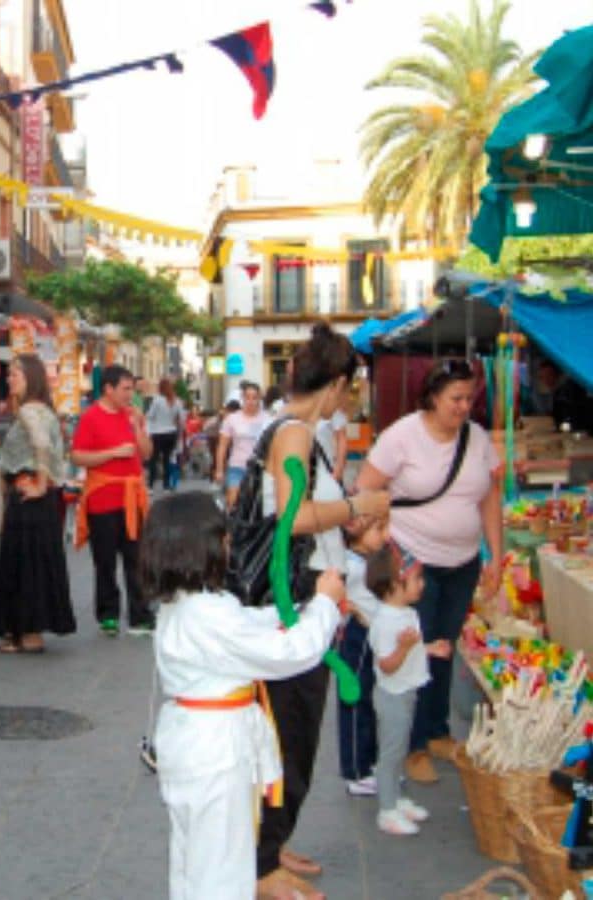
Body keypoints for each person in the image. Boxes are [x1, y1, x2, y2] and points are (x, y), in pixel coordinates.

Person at [141, 492, 347, 900]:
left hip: (196, 742)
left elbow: (247, 623)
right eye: (222, 536)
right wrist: (325, 604)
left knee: (195, 858)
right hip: (215, 751)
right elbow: (289, 654)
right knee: (222, 867)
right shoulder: (207, 613)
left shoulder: (187, 603)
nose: (229, 543)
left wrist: (301, 610)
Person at [254, 323, 390, 899]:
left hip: (308, 597)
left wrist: (347, 523)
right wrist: (358, 504)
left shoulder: (300, 434)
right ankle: (261, 864)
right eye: (349, 389)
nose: (349, 401)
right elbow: (294, 518)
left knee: (296, 733)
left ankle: (272, 843)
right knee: (290, 733)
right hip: (290, 603)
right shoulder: (293, 433)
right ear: (335, 384)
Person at [354, 358, 503, 784]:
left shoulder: (477, 438)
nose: (464, 407)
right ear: (433, 397)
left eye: (469, 398)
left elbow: (489, 498)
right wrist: (381, 537)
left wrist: (495, 554)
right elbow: (365, 488)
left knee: (444, 646)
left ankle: (436, 730)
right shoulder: (402, 436)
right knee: (416, 647)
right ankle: (413, 744)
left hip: (463, 562)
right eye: (456, 398)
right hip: (414, 560)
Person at [0, 353, 74, 654]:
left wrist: (39, 482)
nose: (9, 379)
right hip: (36, 497)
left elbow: (42, 445)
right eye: (9, 374)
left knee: (24, 564)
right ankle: (26, 631)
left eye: (16, 374)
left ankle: (27, 632)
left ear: (31, 378)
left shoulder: (29, 411)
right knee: (34, 563)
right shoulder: (44, 410)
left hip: (29, 495)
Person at [366, 543, 450, 835]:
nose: (422, 584)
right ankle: (387, 809)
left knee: (400, 748)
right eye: (416, 579)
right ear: (394, 585)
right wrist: (403, 648)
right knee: (391, 753)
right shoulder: (385, 622)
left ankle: (397, 798)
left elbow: (410, 650)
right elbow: (386, 665)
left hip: (406, 691)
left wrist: (429, 649)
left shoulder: (406, 613)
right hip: (392, 696)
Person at [71, 365, 154, 637]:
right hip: (103, 498)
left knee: (136, 558)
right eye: (125, 389)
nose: (130, 395)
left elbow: (147, 453)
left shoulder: (133, 415)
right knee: (105, 560)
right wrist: (113, 453)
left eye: (132, 389)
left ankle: (140, 614)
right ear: (108, 389)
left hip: (132, 498)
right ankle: (108, 614)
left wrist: (138, 428)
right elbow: (78, 456)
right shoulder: (90, 417)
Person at [336, 515, 389, 798]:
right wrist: (351, 612)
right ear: (355, 530)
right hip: (358, 636)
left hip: (371, 635)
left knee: (368, 701)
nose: (385, 534)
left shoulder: (367, 561)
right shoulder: (350, 565)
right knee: (355, 701)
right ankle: (355, 771)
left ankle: (369, 762)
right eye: (379, 528)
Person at [216, 382, 270, 509]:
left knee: (258, 505)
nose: (251, 401)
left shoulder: (268, 419)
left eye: (254, 398)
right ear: (242, 398)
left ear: (259, 399)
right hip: (237, 466)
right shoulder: (232, 419)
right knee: (233, 501)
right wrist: (219, 469)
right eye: (247, 397)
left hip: (261, 468)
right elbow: (222, 445)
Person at [145, 378, 182, 491]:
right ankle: (166, 484)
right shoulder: (177, 401)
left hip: (157, 433)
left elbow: (150, 415)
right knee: (167, 459)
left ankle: (150, 485)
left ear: (160, 388)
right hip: (171, 433)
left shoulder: (157, 400)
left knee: (154, 459)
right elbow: (180, 418)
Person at [316, 406, 350, 485]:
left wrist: (339, 468)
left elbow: (341, 437)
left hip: (325, 469)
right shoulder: (286, 406)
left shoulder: (331, 407)